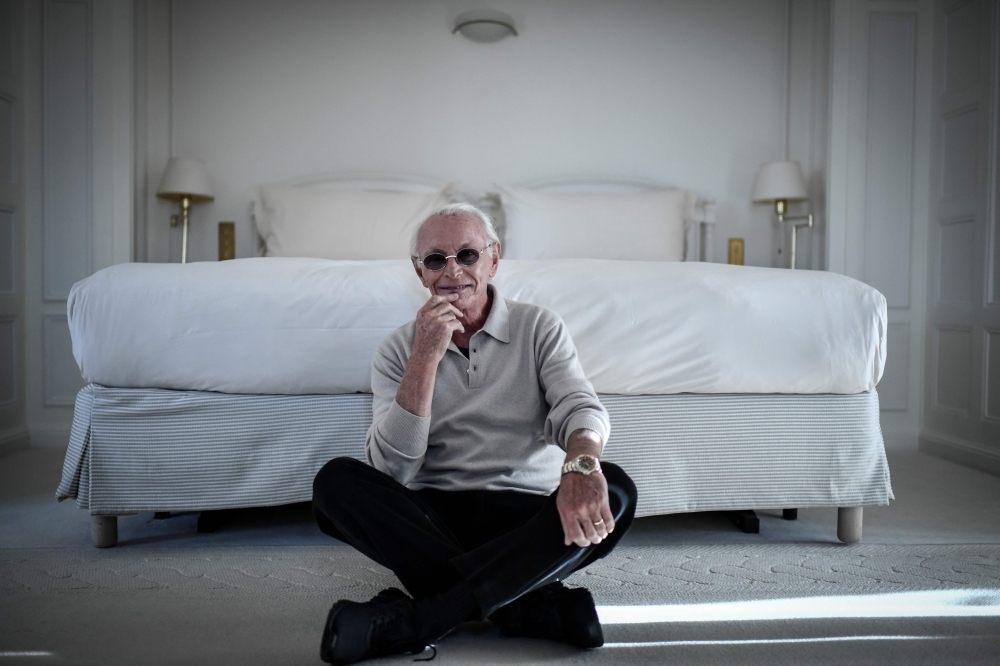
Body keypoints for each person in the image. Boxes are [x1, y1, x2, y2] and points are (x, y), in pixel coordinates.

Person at [312, 203, 637, 665]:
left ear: (493, 259)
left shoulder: (538, 327)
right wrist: (424, 356)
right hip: (436, 514)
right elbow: (390, 468)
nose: (453, 271)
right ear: (419, 272)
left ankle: (420, 619)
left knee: (617, 488)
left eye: (467, 255)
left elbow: (578, 407)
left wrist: (581, 463)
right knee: (335, 484)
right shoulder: (396, 349)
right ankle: (525, 604)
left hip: (526, 514)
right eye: (436, 260)